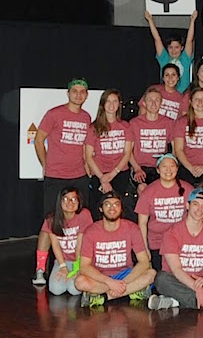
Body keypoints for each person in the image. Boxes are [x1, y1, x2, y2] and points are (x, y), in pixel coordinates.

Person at [34, 79, 91, 282]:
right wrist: (46, 165)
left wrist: (87, 167)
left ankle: (78, 264)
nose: (78, 95)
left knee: (82, 222)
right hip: (56, 176)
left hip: (79, 176)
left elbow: (85, 148)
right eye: (74, 91)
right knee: (49, 223)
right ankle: (41, 269)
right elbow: (39, 139)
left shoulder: (86, 117)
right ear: (68, 94)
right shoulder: (54, 113)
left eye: (82, 92)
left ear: (86, 96)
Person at [147, 188, 203, 311]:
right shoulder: (171, 234)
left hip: (199, 281)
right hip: (176, 279)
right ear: (187, 205)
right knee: (161, 279)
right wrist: (198, 290)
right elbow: (177, 270)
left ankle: (174, 301)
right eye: (195, 204)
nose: (200, 210)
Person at [75, 191, 157, 307]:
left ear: (121, 208)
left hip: (125, 275)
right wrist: (110, 282)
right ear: (101, 208)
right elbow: (84, 266)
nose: (112, 208)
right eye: (107, 204)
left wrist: (122, 284)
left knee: (151, 273)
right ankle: (130, 292)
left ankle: (104, 297)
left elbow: (144, 261)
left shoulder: (132, 228)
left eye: (116, 204)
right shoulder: (91, 231)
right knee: (80, 282)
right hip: (101, 276)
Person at [136, 154, 191, 271]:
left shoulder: (187, 188)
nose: (168, 170)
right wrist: (145, 249)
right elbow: (142, 223)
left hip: (182, 242)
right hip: (157, 242)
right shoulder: (149, 192)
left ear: (177, 168)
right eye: (164, 166)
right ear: (157, 169)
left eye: (172, 166)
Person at [83, 89, 134, 216]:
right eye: (108, 101)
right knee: (99, 212)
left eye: (115, 101)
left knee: (117, 211)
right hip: (99, 175)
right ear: (103, 104)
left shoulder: (126, 127)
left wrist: (112, 174)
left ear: (119, 104)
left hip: (119, 173)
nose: (111, 105)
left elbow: (127, 153)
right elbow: (88, 156)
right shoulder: (93, 127)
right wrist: (102, 178)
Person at [39, 187, 93, 293]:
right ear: (60, 201)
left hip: (80, 260)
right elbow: (55, 244)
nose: (70, 202)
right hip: (62, 260)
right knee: (56, 289)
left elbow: (80, 245)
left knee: (74, 289)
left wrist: (77, 268)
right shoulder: (52, 218)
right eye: (65, 199)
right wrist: (63, 266)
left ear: (79, 202)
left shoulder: (84, 215)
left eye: (74, 199)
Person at [173, 87, 203, 185]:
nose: (200, 102)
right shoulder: (181, 122)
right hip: (187, 168)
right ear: (190, 101)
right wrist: (191, 168)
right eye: (196, 99)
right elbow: (178, 149)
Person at [129, 87, 175, 189]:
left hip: (161, 167)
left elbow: (175, 149)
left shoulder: (169, 123)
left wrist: (170, 167)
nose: (153, 103)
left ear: (161, 103)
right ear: (144, 103)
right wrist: (136, 168)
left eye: (157, 100)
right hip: (141, 167)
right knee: (143, 188)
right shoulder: (134, 123)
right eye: (150, 100)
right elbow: (128, 151)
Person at [145, 9, 197, 92]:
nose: (173, 50)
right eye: (170, 47)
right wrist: (150, 20)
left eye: (176, 47)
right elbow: (157, 39)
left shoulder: (185, 59)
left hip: (183, 96)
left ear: (182, 48)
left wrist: (192, 20)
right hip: (166, 95)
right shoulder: (164, 58)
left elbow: (189, 40)